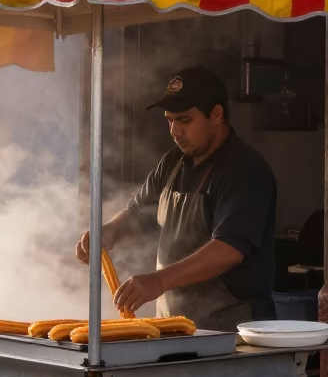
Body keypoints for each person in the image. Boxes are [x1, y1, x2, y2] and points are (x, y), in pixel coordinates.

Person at [76, 65, 277, 330]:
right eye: (169, 120)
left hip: (233, 331)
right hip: (175, 327)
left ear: (216, 115)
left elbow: (228, 250)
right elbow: (138, 211)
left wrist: (159, 281)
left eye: (184, 120)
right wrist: (110, 231)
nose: (174, 131)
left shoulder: (244, 169)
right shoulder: (172, 163)